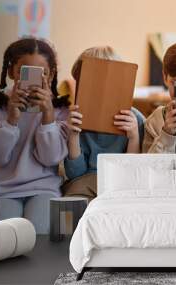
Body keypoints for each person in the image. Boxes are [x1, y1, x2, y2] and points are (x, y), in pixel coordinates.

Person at [0, 37, 70, 234]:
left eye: (42, 73)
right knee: (4, 235)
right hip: (2, 189)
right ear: (11, 72)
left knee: (39, 233)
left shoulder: (61, 109)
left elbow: (51, 158)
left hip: (44, 189)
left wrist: (48, 116)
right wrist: (11, 119)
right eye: (24, 72)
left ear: (51, 75)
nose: (33, 80)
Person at [62, 46, 145, 200]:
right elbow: (75, 174)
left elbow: (133, 170)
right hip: (84, 183)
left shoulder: (135, 119)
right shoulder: (75, 118)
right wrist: (73, 135)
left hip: (121, 184)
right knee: (70, 204)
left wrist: (133, 137)